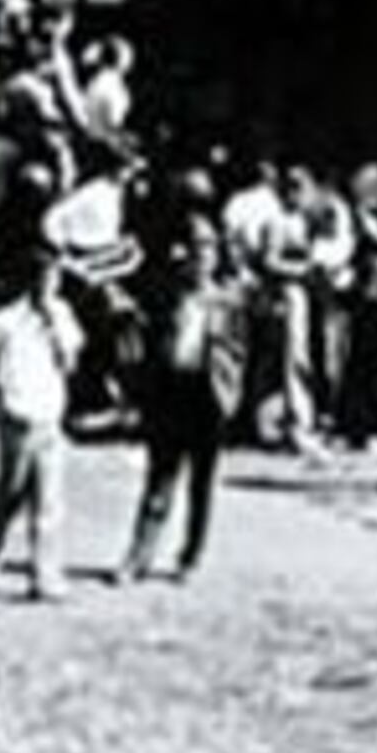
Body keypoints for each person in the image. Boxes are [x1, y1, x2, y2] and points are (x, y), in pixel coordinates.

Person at [123, 221, 241, 583]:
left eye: (208, 252)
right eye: (195, 251)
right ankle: (138, 556)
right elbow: (149, 340)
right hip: (172, 390)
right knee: (160, 477)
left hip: (207, 394)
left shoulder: (227, 301)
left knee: (201, 485)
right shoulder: (167, 295)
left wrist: (229, 390)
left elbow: (239, 349)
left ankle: (189, 557)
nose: (201, 260)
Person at [0, 256, 79, 601]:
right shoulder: (10, 318)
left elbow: (70, 361)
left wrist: (56, 329)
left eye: (54, 278)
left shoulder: (62, 315)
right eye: (43, 277)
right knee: (11, 494)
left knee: (49, 497)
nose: (49, 284)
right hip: (17, 415)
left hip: (49, 415)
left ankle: (44, 575)